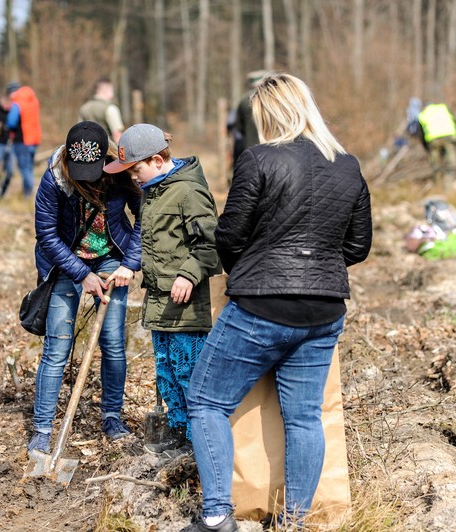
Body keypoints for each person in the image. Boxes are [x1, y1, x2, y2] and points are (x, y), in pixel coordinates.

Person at [184, 73, 372, 532]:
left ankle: (215, 516)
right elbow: (358, 246)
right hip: (324, 310)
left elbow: (230, 235)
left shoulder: (258, 159)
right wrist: (319, 266)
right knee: (305, 418)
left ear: (267, 114)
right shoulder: (347, 164)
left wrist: (254, 266)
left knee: (206, 401)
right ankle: (293, 523)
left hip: (261, 308)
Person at [104, 124, 220, 457]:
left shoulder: (188, 191)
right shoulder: (153, 190)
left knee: (188, 371)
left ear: (157, 159)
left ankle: (199, 441)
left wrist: (189, 274)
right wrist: (130, 264)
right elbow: (148, 237)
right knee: (166, 369)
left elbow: (210, 242)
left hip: (185, 304)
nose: (133, 178)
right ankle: (178, 429)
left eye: (135, 169)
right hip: (158, 299)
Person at [26, 121, 142, 454]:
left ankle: (112, 417)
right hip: (66, 263)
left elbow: (143, 215)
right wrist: (81, 274)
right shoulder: (54, 179)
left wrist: (129, 264)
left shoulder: (119, 175)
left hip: (110, 259)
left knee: (113, 342)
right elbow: (47, 236)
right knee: (56, 348)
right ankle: (43, 430)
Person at [5, 81, 42, 198]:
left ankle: (28, 195)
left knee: (25, 169)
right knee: (30, 168)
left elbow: (11, 122)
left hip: (22, 141)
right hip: (34, 140)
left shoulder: (17, 103)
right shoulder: (33, 100)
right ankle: (30, 193)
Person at [230, 70, 267, 167]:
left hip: (249, 148)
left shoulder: (243, 101)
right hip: (268, 147)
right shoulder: (269, 100)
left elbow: (238, 126)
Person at [416, 102, 456, 184]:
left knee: (436, 167)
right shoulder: (444, 108)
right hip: (449, 137)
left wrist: (426, 148)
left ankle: (438, 188)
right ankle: (449, 187)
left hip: (433, 141)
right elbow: (455, 122)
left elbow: (421, 134)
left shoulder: (423, 114)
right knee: (450, 166)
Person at [78, 78, 125, 144]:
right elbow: (117, 135)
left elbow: (79, 132)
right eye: (112, 91)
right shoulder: (110, 108)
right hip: (108, 151)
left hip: (88, 151)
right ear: (107, 90)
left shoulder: (84, 108)